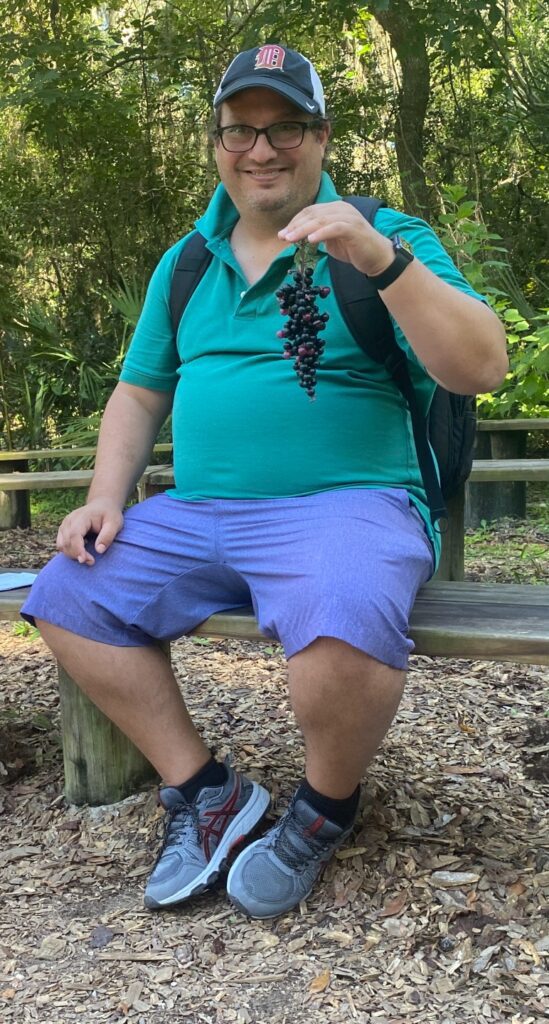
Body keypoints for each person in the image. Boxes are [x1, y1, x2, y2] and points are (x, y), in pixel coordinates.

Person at [21, 44, 508, 920]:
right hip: (200, 511)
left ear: (320, 137)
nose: (261, 149)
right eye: (240, 130)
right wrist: (103, 495)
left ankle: (323, 810)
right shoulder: (188, 262)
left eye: (285, 126)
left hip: (351, 505)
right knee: (67, 597)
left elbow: (479, 366)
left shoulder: (385, 233)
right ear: (216, 143)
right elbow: (139, 392)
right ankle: (205, 792)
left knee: (344, 611)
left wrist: (379, 261)